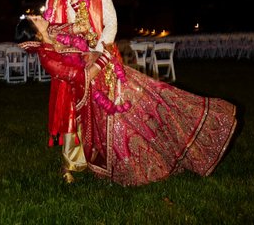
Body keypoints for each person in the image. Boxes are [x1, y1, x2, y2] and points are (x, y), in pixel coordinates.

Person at [21, 16, 237, 187]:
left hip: (114, 75)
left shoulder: (56, 31)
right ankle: (143, 166)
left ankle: (194, 135)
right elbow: (80, 77)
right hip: (97, 93)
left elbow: (83, 29)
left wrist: (85, 21)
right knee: (127, 123)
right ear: (36, 34)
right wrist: (103, 59)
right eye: (36, 20)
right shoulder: (48, 57)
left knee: (155, 99)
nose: (40, 16)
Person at [40, 0, 118, 183]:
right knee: (70, 109)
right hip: (71, 65)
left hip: (100, 54)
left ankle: (106, 157)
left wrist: (97, 52)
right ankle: (73, 162)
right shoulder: (51, 0)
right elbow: (51, 33)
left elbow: (111, 21)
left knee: (103, 105)